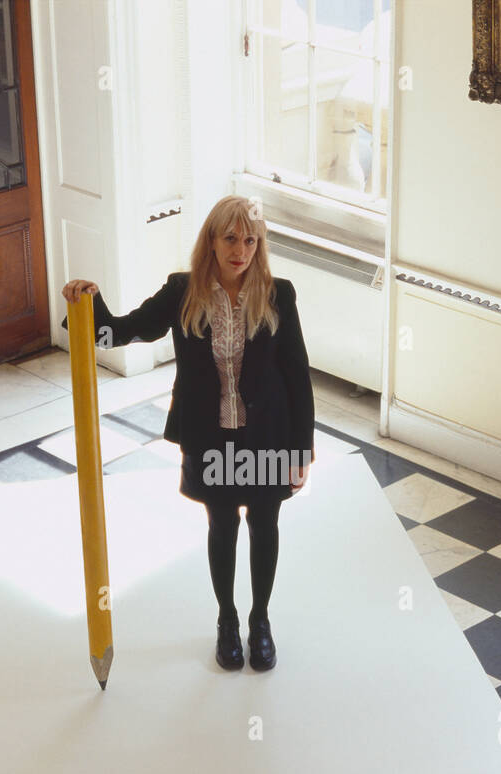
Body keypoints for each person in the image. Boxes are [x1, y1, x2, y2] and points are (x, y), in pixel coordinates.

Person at [60, 195, 315, 673]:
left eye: (250, 240)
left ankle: (260, 622)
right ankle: (227, 620)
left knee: (264, 526)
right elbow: (119, 333)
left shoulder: (279, 293)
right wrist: (87, 305)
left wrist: (301, 451)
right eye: (231, 238)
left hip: (268, 437)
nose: (241, 249)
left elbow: (298, 377)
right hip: (211, 436)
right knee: (223, 526)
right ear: (212, 241)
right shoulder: (183, 291)